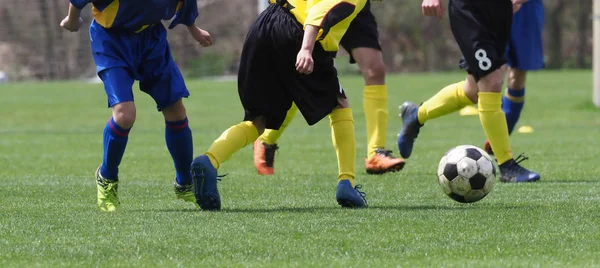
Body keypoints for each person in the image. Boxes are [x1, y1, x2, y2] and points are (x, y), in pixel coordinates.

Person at [190, 0, 370, 211]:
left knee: (257, 121)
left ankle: (209, 160)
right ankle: (346, 183)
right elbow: (322, 12)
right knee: (339, 104)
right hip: (298, 34)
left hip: (265, 25)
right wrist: (306, 49)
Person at [60, 0, 213, 211]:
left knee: (176, 111)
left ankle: (185, 183)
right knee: (124, 115)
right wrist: (72, 18)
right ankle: (107, 178)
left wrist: (193, 30)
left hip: (151, 39)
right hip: (111, 40)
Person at [253, 0, 405, 176]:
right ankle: (266, 139)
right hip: (319, 5)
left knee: (375, 70)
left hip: (354, 5)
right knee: (304, 76)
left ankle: (375, 153)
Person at [397, 0, 540, 183]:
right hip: (470, 9)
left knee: (473, 90)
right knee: (492, 81)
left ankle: (415, 116)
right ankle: (507, 165)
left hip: (500, 11)